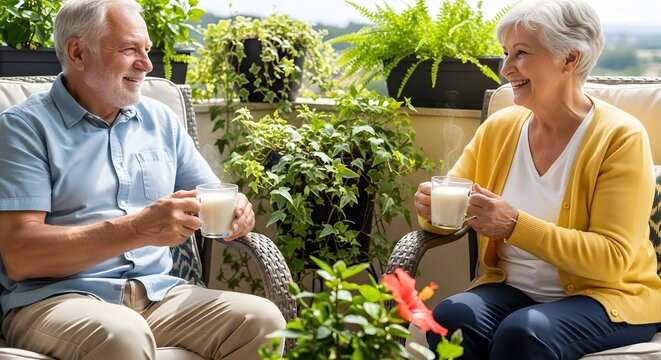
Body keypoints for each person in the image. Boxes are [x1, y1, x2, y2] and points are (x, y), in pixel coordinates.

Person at [0, 0, 285, 359]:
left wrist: (237, 210)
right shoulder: (23, 128)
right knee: (123, 334)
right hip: (55, 300)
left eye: (147, 50)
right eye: (130, 49)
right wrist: (137, 228)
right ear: (77, 52)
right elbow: (21, 255)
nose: (147, 64)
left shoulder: (160, 121)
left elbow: (209, 195)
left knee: (262, 320)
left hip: (159, 295)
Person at [414, 0, 661, 358]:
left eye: (521, 53)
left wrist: (513, 224)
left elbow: (611, 259)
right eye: (504, 53)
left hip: (608, 298)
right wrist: (429, 209)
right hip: (515, 291)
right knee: (451, 317)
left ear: (570, 59)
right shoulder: (500, 128)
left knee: (523, 333)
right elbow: (450, 206)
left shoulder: (620, 137)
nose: (506, 68)